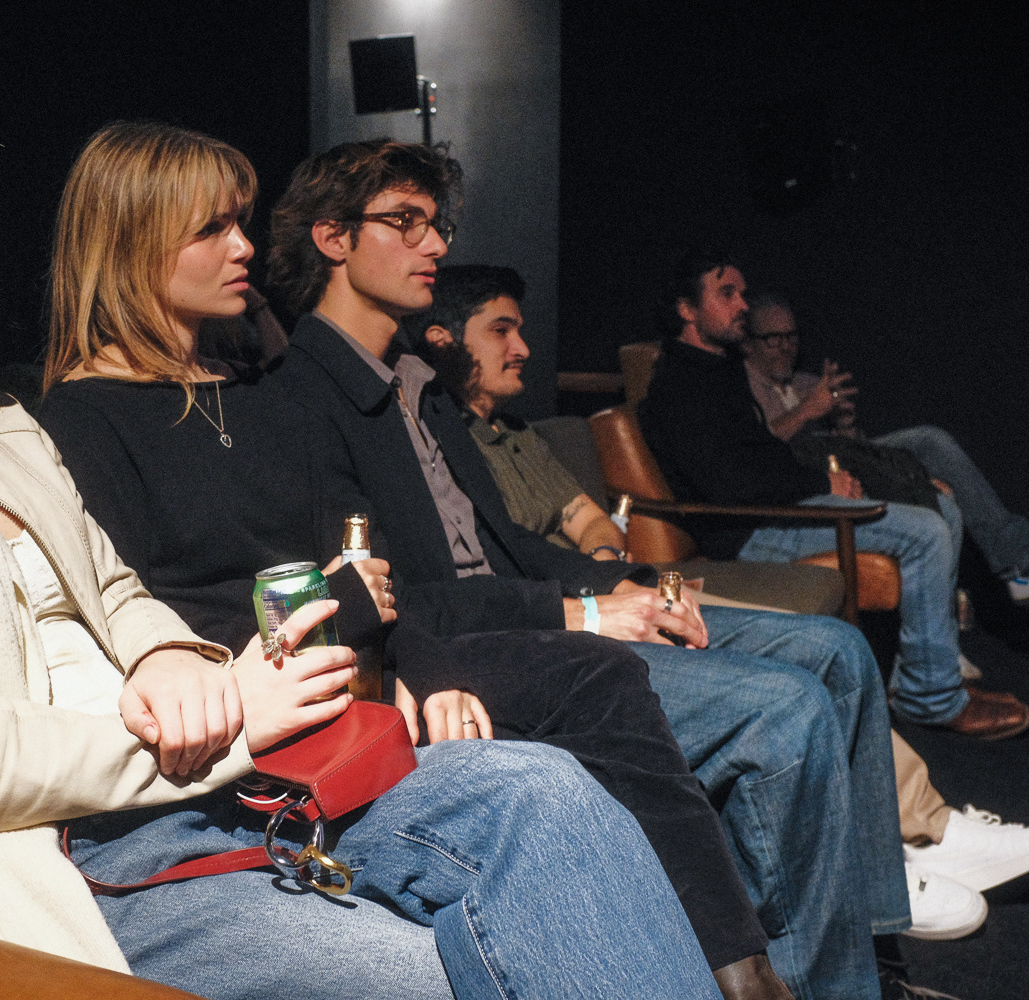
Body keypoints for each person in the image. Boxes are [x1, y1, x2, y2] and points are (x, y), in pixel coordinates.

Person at [0, 67, 721, 1000]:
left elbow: (118, 589)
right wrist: (218, 721)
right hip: (39, 847)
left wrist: (171, 656)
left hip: (206, 781)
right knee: (416, 975)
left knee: (545, 789)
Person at [36, 121, 792, 1000]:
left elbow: (363, 568)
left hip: (354, 692)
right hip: (250, 747)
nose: (243, 247)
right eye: (213, 228)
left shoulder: (264, 398)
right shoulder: (78, 422)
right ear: (133, 242)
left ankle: (736, 970)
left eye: (240, 222)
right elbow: (159, 618)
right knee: (551, 774)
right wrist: (352, 619)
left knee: (571, 751)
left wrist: (426, 671)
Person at [264, 138, 922, 1000]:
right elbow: (393, 605)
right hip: (479, 650)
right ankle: (816, 985)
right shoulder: (300, 396)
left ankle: (870, 953)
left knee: (836, 651)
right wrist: (578, 613)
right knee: (785, 710)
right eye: (407, 222)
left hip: (527, 617)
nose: (436, 243)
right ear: (332, 237)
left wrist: (625, 583)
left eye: (437, 223)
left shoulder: (417, 381)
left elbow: (506, 542)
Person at [410, 262, 1029, 931]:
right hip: (585, 597)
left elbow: (588, 518)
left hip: (600, 583)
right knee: (797, 677)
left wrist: (609, 568)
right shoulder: (442, 437)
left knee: (836, 646)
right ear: (443, 341)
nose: (524, 347)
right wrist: (595, 599)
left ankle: (908, 839)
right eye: (501, 331)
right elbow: (499, 562)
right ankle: (903, 839)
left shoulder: (515, 431)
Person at [639, 250, 1029, 740]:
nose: (743, 304)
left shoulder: (718, 369)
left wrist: (830, 479)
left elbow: (763, 459)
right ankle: (931, 699)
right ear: (687, 309)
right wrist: (822, 486)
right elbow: (730, 483)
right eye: (727, 293)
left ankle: (933, 676)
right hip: (743, 529)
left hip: (773, 509)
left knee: (943, 510)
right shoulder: (681, 384)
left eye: (742, 293)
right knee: (926, 531)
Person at [745, 291, 1029, 607]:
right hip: (800, 477)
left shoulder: (808, 382)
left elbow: (857, 451)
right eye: (773, 339)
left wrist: (845, 424)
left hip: (840, 462)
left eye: (791, 337)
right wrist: (805, 411)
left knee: (929, 440)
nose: (786, 347)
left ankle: (1017, 559)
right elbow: (756, 451)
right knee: (932, 495)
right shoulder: (743, 388)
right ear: (749, 344)